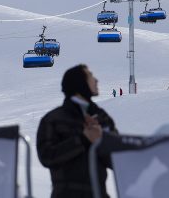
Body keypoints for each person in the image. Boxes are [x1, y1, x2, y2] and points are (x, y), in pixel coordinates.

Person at [36, 64, 118, 198]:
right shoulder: (54, 119)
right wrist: (83, 139)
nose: (96, 80)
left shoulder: (101, 117)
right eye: (90, 76)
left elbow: (117, 159)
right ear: (80, 83)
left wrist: (102, 140)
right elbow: (47, 156)